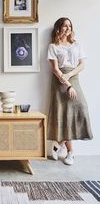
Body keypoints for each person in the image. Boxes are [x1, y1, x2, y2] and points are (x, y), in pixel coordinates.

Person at [47, 17, 93, 165]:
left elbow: (81, 65)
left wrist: (69, 76)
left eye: (69, 26)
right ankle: (70, 152)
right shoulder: (53, 46)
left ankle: (59, 146)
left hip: (73, 78)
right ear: (58, 28)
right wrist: (67, 84)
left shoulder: (76, 45)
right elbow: (55, 69)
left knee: (81, 109)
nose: (67, 28)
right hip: (59, 81)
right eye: (64, 26)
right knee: (63, 114)